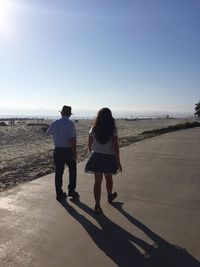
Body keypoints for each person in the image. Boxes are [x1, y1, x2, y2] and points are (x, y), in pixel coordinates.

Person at [85, 107, 122, 213]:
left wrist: (93, 153)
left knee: (97, 182)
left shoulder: (94, 128)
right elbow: (115, 146)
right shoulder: (113, 129)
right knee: (108, 178)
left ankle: (97, 205)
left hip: (96, 156)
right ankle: (109, 196)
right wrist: (118, 161)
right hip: (109, 157)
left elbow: (89, 144)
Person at [46, 105, 79, 201]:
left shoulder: (54, 123)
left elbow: (48, 133)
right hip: (68, 150)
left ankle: (59, 193)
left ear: (61, 113)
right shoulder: (71, 124)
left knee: (59, 172)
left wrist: (57, 135)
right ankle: (71, 190)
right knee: (72, 171)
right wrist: (74, 152)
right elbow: (73, 139)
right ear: (69, 114)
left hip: (58, 150)